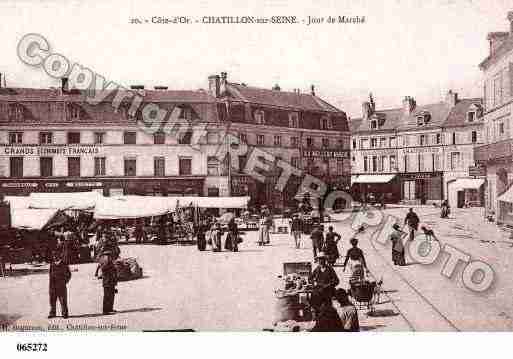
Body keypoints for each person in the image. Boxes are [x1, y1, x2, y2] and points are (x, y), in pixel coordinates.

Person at [48, 252, 71, 319]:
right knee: (52, 301)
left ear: (59, 257)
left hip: (61, 286)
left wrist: (64, 281)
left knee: (63, 300)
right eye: (54, 257)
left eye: (56, 257)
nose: (54, 258)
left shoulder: (64, 264)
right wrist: (50, 286)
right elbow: (50, 274)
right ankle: (52, 313)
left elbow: (69, 274)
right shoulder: (52, 265)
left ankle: (64, 313)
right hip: (52, 286)